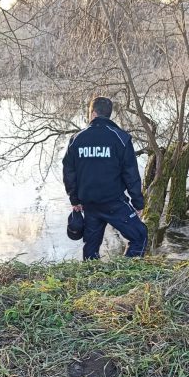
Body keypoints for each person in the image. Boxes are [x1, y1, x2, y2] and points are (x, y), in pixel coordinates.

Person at [62, 96, 147, 260]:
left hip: (89, 204)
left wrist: (75, 200)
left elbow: (68, 172)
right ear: (109, 114)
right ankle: (126, 272)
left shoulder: (76, 139)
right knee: (140, 235)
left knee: (91, 248)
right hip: (114, 203)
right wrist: (138, 203)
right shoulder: (120, 138)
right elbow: (131, 174)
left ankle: (90, 278)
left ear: (93, 113)